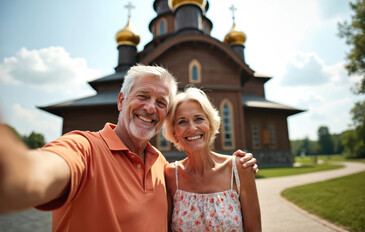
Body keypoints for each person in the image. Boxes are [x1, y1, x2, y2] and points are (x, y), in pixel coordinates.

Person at [0, 65, 258, 231]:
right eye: (143, 96)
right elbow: (33, 174)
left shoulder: (161, 168)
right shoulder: (86, 148)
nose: (150, 108)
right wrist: (14, 169)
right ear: (122, 100)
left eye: (160, 102)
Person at [163, 87, 262, 232]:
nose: (192, 128)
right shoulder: (171, 175)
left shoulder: (240, 169)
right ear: (174, 132)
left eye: (199, 119)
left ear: (210, 124)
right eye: (182, 122)